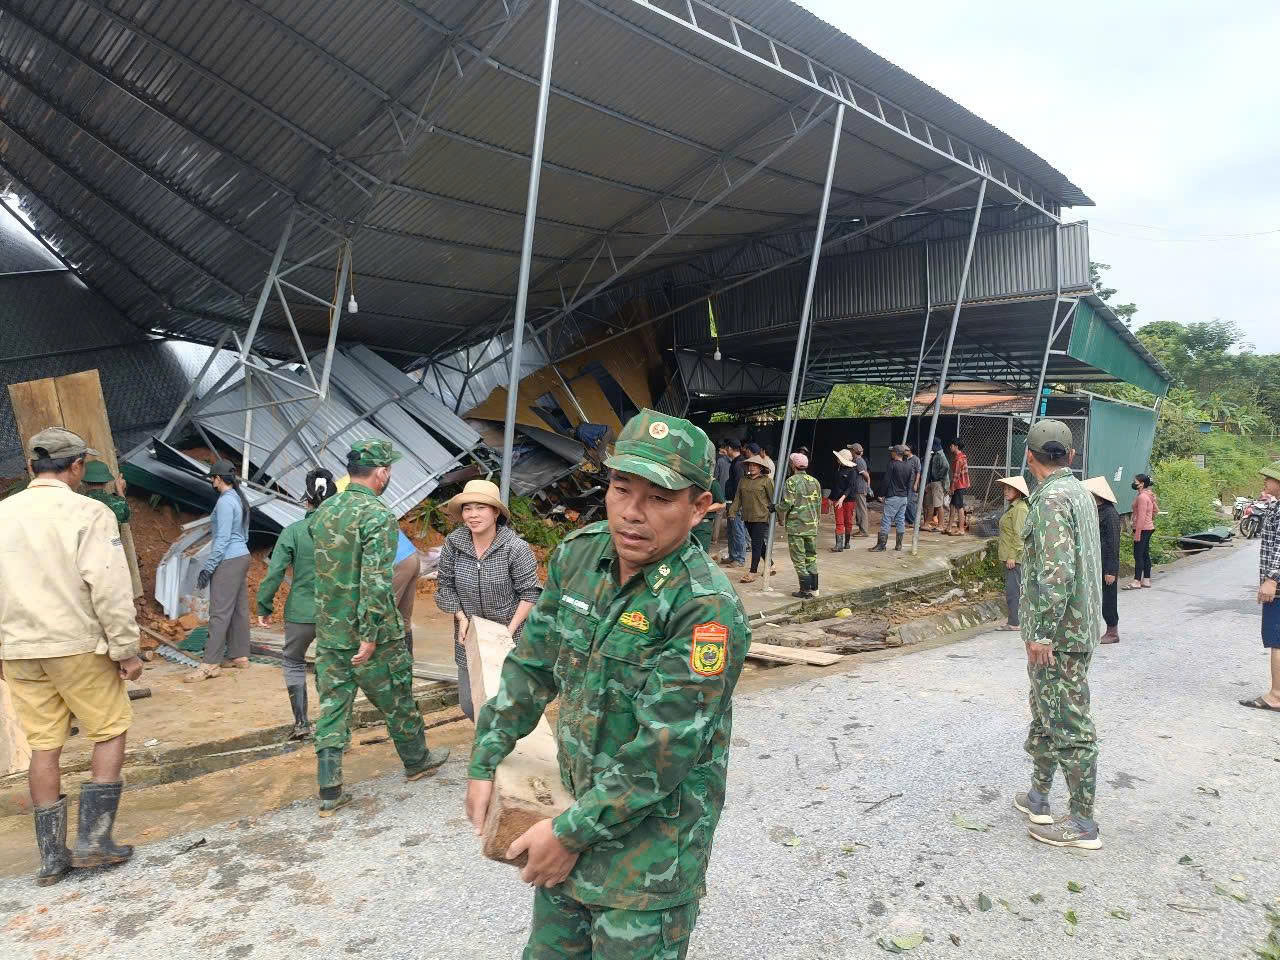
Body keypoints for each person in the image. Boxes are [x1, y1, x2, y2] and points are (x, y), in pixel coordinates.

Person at [464, 408, 750, 960]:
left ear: (700, 508)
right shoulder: (580, 555)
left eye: (660, 499)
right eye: (621, 489)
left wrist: (568, 833)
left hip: (647, 859)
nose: (631, 514)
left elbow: (664, 751)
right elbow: (532, 666)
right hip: (569, 818)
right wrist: (485, 757)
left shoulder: (705, 608)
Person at [0, 427, 143, 885]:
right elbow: (108, 585)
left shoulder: (3, 514)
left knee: (44, 744)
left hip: (20, 649)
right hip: (76, 644)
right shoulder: (89, 512)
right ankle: (95, 842)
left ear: (30, 468)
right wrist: (125, 649)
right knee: (111, 727)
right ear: (77, 465)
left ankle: (51, 858)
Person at [309, 440, 449, 815]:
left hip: (331, 631)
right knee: (398, 698)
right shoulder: (377, 515)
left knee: (333, 706)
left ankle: (329, 788)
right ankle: (417, 761)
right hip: (371, 635)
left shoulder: (324, 512)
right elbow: (375, 579)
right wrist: (370, 634)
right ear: (382, 472)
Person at [1012, 420, 1104, 850]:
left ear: (1029, 456)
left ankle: (1083, 824)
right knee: (1046, 712)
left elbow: (1057, 571)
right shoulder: (1081, 493)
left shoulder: (1049, 501)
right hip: (1076, 628)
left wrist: (1043, 634)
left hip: (1059, 635)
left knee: (1068, 723)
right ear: (1070, 456)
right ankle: (1039, 796)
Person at [434, 479, 543, 722]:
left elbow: (530, 593)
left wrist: (508, 632)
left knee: (506, 704)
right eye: (467, 508)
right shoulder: (454, 544)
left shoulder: (515, 547)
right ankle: (488, 745)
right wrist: (461, 618)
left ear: (496, 513)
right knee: (470, 704)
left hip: (510, 637)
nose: (473, 515)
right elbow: (445, 586)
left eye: (481, 508)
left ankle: (505, 753)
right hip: (469, 634)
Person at [256, 468, 337, 741]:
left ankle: (302, 723)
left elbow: (275, 572)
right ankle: (334, 728)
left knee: (293, 661)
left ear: (307, 500)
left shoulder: (293, 531)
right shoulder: (345, 531)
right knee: (335, 665)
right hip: (336, 613)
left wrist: (264, 607)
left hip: (301, 613)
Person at [187, 459, 252, 682]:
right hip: (242, 555)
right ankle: (239, 656)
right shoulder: (239, 499)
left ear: (217, 479)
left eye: (212, 478)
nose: (211, 483)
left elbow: (222, 539)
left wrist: (209, 567)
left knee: (220, 611)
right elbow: (244, 534)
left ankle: (210, 663)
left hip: (228, 558)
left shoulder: (225, 502)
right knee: (239, 609)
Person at [1239, 461, 1280, 712]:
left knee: (1277, 639)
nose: (1264, 482)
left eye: (1269, 478)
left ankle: (1276, 695)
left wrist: (1272, 579)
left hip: (1279, 582)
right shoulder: (1275, 506)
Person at [774, 452, 821, 598]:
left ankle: (804, 590)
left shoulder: (791, 481)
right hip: (812, 526)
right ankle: (815, 588)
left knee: (799, 558)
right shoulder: (815, 481)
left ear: (793, 465)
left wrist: (775, 507)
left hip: (797, 527)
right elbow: (819, 504)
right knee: (811, 556)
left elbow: (788, 503)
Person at [1085, 477, 1121, 645]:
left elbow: (1113, 543)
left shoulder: (1110, 514)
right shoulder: (1095, 511)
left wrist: (1111, 570)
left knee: (1108, 598)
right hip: (1095, 562)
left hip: (1106, 563)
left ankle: (1112, 631)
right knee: (1094, 598)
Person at [728, 454, 774, 583]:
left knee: (755, 545)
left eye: (755, 465)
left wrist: (780, 518)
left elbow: (773, 500)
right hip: (747, 516)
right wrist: (732, 511)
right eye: (750, 465)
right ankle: (771, 563)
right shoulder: (743, 480)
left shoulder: (766, 481)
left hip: (761, 516)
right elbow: (738, 498)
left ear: (761, 468)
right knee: (758, 542)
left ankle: (752, 572)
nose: (752, 467)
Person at [995, 476, 1030, 631]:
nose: (1006, 491)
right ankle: (1015, 620)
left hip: (1015, 558)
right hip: (1010, 556)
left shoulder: (1020, 509)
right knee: (1013, 589)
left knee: (1013, 591)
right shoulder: (1014, 508)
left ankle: (1015, 622)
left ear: (1018, 491)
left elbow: (1019, 535)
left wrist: (1012, 556)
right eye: (1005, 488)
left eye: (1009, 489)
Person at [872, 445, 914, 552]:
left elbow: (886, 481)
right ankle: (899, 545)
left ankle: (882, 545)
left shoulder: (892, 464)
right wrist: (907, 497)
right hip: (903, 497)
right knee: (900, 520)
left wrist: (881, 494)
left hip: (893, 496)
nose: (891, 453)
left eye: (892, 452)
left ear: (896, 453)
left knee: (886, 520)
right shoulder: (909, 465)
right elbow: (910, 483)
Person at [392, 528, 421, 657]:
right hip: (410, 555)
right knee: (404, 618)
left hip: (395, 560)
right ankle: (407, 664)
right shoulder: (379, 510)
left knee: (383, 616)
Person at [1127, 473, 1157, 590]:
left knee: (1138, 554)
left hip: (1142, 529)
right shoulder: (1148, 495)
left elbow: (1141, 517)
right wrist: (1150, 520)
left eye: (1136, 482)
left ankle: (1137, 581)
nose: (1134, 484)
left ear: (1142, 484)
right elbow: (1156, 510)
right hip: (1148, 528)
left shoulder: (1142, 498)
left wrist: (1138, 533)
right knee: (1145, 554)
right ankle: (1147, 580)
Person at [721, 438, 748, 567]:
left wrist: (736, 504)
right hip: (732, 501)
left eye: (726, 448)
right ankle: (733, 556)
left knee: (737, 530)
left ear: (730, 448)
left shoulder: (738, 464)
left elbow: (739, 485)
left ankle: (739, 558)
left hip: (736, 503)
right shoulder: (737, 462)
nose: (726, 450)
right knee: (732, 530)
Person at [80, 460, 130, 525]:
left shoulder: (77, 503)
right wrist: (120, 490)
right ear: (106, 481)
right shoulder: (116, 502)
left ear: (83, 481)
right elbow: (126, 516)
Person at [830, 448, 857, 551]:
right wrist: (831, 498)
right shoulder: (838, 470)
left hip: (848, 499)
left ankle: (846, 543)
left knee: (848, 521)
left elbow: (850, 487)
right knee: (839, 521)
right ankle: (839, 545)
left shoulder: (852, 471)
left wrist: (842, 498)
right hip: (838, 500)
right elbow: (835, 486)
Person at [692, 476, 726, 554]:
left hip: (702, 527)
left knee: (700, 555)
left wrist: (704, 509)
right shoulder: (684, 478)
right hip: (683, 525)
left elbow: (722, 504)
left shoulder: (711, 483)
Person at [847, 443, 872, 538]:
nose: (850, 452)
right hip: (858, 488)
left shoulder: (859, 461)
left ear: (854, 451)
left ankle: (864, 531)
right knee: (859, 510)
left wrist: (867, 487)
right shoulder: (857, 460)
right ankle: (861, 529)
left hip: (860, 488)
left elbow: (866, 475)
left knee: (862, 510)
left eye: (851, 450)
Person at [925, 438, 951, 531]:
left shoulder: (940, 455)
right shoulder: (935, 454)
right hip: (934, 482)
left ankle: (940, 525)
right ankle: (926, 524)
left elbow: (946, 466)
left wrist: (938, 477)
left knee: (938, 505)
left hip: (938, 482)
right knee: (930, 504)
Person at [946, 440, 970, 535]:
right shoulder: (960, 457)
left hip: (959, 485)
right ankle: (949, 527)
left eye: (951, 446)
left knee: (959, 507)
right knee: (952, 505)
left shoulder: (959, 459)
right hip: (959, 484)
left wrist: (952, 488)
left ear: (956, 446)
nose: (950, 447)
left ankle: (961, 529)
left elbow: (956, 475)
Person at [902, 442, 921, 528]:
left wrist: (916, 484)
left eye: (906, 450)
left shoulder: (915, 459)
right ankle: (908, 520)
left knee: (911, 502)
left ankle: (913, 520)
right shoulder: (905, 459)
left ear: (909, 450)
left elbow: (918, 472)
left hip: (912, 483)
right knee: (905, 502)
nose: (904, 451)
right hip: (905, 483)